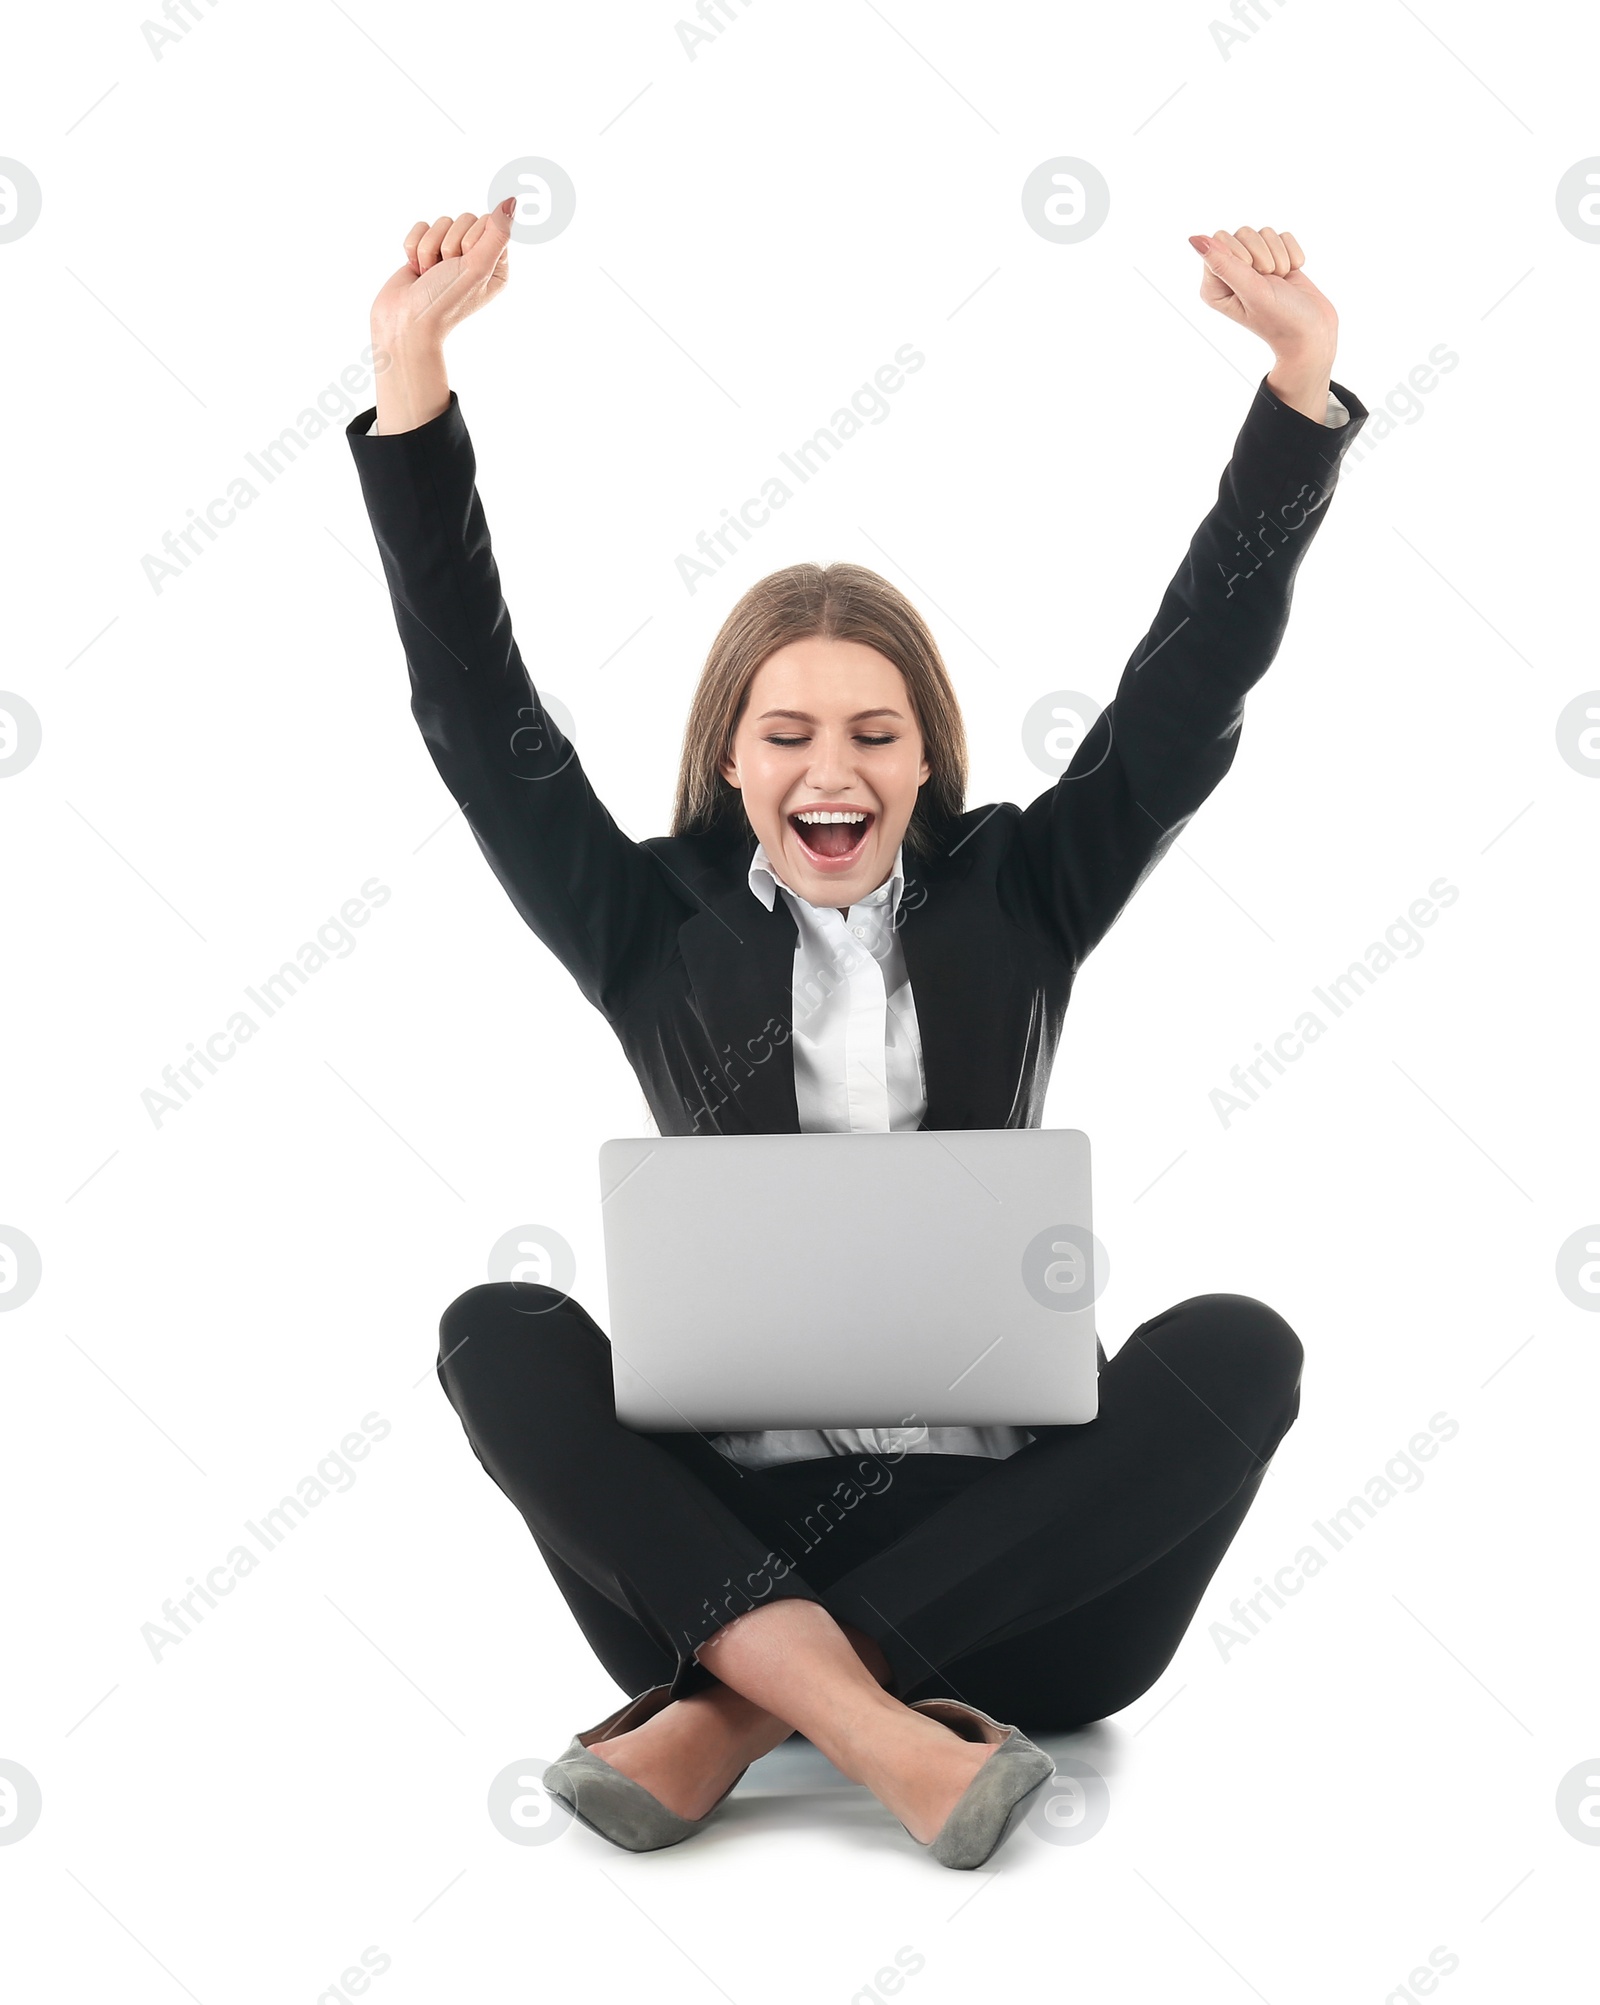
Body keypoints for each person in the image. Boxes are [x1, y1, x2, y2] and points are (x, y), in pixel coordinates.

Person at [345, 199, 1367, 1868]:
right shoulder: (643, 918)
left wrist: (1298, 392)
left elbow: (1189, 695)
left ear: (925, 754)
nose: (835, 769)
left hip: (1030, 1571)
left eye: (876, 733)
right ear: (733, 760)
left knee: (1241, 1345)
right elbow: (476, 710)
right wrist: (411, 379)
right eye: (792, 732)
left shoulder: (1026, 888)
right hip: (724, 1551)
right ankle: (875, 1725)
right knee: (496, 1326)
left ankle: (743, 1721)